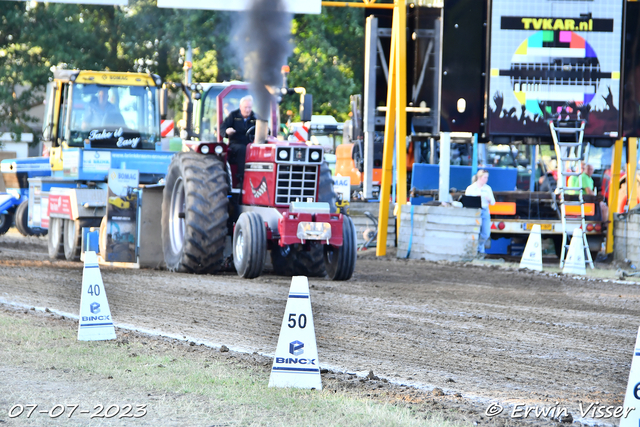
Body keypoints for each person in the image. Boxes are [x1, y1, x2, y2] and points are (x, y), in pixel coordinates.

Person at [219, 95, 257, 185]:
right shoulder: (233, 116)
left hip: (251, 143)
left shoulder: (255, 117)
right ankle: (241, 177)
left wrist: (267, 130)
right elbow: (222, 128)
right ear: (240, 107)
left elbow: (263, 129)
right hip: (236, 143)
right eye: (245, 107)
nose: (247, 110)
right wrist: (227, 131)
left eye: (249, 107)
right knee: (242, 149)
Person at [465, 170, 496, 258]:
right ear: (479, 177)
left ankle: (479, 247)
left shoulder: (488, 188)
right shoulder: (471, 188)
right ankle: (476, 251)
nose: (486, 179)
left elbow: (493, 202)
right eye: (484, 177)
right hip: (474, 211)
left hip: (485, 210)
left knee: (486, 233)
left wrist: (489, 199)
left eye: (487, 178)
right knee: (474, 231)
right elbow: (466, 201)